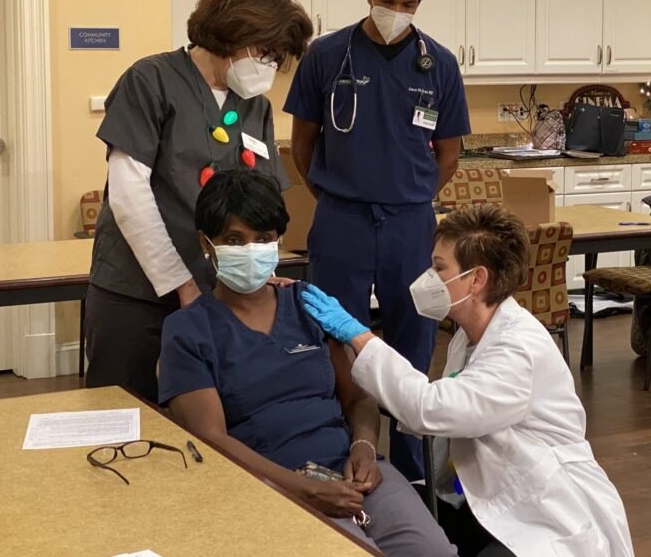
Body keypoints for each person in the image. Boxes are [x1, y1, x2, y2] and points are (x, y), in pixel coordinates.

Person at [301, 204, 635, 557]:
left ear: (477, 279)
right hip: (485, 492)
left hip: (545, 511)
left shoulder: (517, 349)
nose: (428, 276)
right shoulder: (472, 333)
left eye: (438, 268)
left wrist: (359, 337)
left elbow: (431, 408)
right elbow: (440, 408)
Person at [158, 169, 456, 557]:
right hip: (267, 483)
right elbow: (211, 440)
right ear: (206, 244)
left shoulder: (308, 306)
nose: (251, 250)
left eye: (263, 239)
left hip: (352, 469)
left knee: (435, 552)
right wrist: (304, 490)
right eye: (234, 240)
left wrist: (364, 448)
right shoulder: (188, 331)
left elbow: (357, 398)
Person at [284, 0, 470, 481]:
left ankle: (412, 470)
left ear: (420, 3)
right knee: (337, 336)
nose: (396, 10)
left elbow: (449, 152)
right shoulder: (326, 55)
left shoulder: (438, 64)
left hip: (411, 223)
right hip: (342, 218)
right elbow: (303, 144)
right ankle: (342, 451)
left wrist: (410, 196)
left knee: (412, 340)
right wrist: (336, 196)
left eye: (408, 3)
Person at [85, 0, 313, 403]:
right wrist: (182, 284)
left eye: (276, 58)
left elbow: (261, 203)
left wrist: (262, 269)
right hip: (135, 290)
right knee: (119, 413)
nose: (268, 66)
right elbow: (128, 196)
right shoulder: (150, 81)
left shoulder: (254, 106)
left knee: (207, 421)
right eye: (265, 52)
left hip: (218, 291)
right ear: (235, 32)